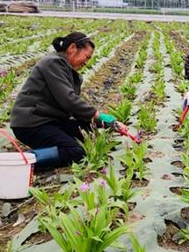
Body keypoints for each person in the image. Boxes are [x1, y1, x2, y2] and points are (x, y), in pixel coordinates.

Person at [10, 32, 125, 169]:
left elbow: (74, 109)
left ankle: (51, 148)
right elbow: (69, 100)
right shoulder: (53, 63)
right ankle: (21, 163)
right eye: (86, 57)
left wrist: (107, 124)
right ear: (72, 48)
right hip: (31, 124)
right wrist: (98, 115)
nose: (86, 62)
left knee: (88, 132)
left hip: (51, 121)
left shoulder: (66, 70)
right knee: (76, 152)